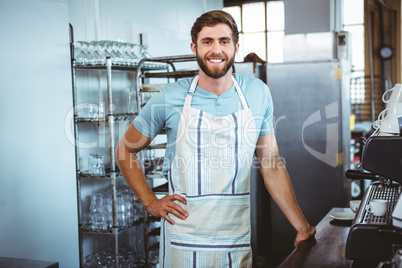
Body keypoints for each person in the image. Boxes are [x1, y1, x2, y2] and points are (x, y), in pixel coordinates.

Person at [115, 10, 315, 268]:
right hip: (183, 239)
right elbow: (124, 150)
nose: (216, 49)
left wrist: (302, 227)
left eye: (224, 41)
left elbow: (271, 164)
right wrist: (150, 201)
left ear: (235, 47)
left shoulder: (257, 93)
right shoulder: (171, 97)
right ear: (194, 47)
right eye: (207, 41)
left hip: (234, 239)